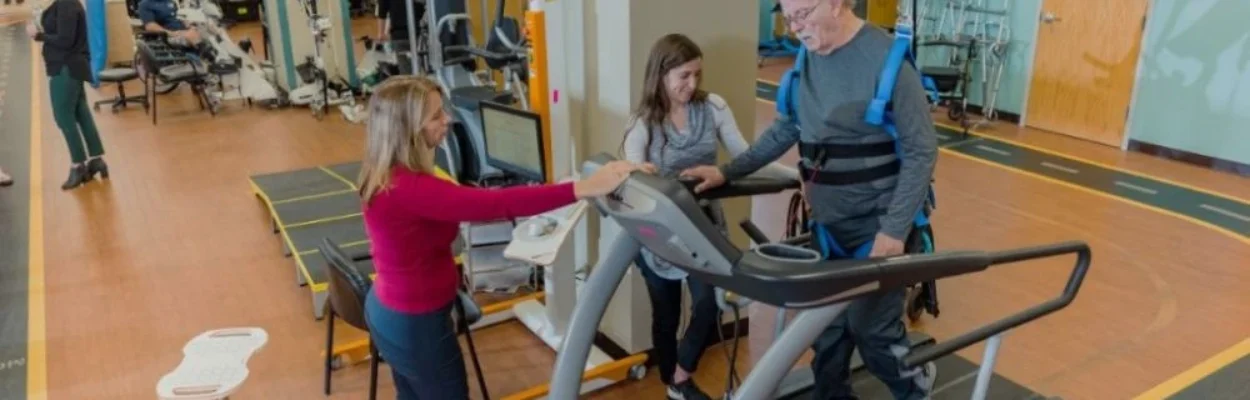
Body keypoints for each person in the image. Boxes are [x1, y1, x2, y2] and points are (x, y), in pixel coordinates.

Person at [680, 0, 939, 399]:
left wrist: (894, 230)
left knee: (873, 333)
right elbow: (786, 130)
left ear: (836, 4)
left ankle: (916, 388)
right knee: (827, 334)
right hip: (828, 227)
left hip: (879, 226)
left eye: (802, 14)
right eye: (787, 16)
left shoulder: (888, 60)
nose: (794, 26)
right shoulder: (808, 58)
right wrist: (727, 172)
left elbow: (922, 152)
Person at [357, 76, 654, 399]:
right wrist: (584, 188)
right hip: (416, 325)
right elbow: (496, 205)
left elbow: (454, 204)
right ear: (408, 129)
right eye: (436, 116)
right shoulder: (411, 188)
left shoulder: (386, 172)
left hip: (389, 312)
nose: (448, 120)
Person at [621, 33, 795, 400]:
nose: (692, 84)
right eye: (683, 76)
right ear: (662, 74)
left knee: (707, 305)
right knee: (665, 317)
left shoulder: (712, 107)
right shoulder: (643, 122)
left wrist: (798, 175)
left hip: (703, 228)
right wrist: (641, 172)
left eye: (697, 74)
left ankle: (680, 376)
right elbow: (630, 175)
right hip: (659, 234)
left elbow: (748, 158)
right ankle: (674, 383)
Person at [27, 0, 111, 190]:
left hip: (65, 68)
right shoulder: (69, 4)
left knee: (63, 117)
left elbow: (65, 40)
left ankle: (78, 165)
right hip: (74, 67)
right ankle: (96, 159)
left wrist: (38, 35)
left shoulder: (66, 5)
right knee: (82, 115)